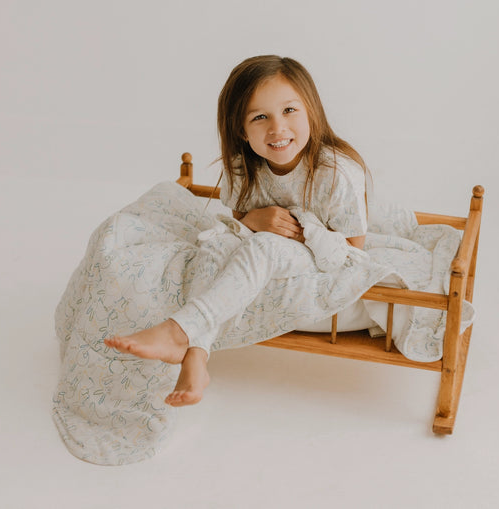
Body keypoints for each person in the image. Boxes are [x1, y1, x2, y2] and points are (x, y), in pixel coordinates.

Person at [105, 55, 369, 407]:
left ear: (311, 111)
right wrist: (253, 221)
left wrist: (304, 235)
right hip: (265, 243)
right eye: (260, 117)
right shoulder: (241, 166)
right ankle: (196, 357)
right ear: (242, 130)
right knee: (216, 247)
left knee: (263, 249)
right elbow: (240, 219)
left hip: (322, 257)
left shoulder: (336, 173)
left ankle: (178, 331)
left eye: (289, 110)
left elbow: (354, 251)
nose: (277, 128)